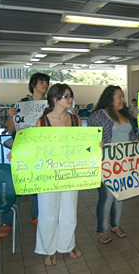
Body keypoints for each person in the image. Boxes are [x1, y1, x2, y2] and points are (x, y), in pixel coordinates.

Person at [0, 72, 50, 238]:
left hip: (41, 151)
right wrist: (11, 117)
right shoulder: (21, 104)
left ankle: (35, 215)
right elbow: (11, 130)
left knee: (39, 185)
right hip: (21, 150)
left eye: (47, 82)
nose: (45, 85)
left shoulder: (51, 105)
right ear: (33, 85)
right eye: (42, 82)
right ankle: (6, 222)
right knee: (17, 185)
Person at [34, 83, 82, 266]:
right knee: (48, 213)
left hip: (70, 172)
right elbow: (35, 148)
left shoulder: (76, 120)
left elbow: (81, 147)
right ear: (55, 99)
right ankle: (48, 249)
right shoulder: (43, 121)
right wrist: (19, 153)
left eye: (70, 96)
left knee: (69, 211)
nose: (70, 100)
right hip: (48, 173)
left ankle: (67, 244)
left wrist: (95, 147)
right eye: (66, 96)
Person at [88, 85, 137, 244]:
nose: (123, 100)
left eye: (123, 97)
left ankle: (116, 225)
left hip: (123, 164)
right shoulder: (98, 115)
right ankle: (102, 230)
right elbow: (90, 138)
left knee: (120, 196)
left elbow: (132, 137)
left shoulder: (125, 115)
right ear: (110, 98)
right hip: (105, 164)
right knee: (107, 197)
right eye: (119, 97)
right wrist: (96, 144)